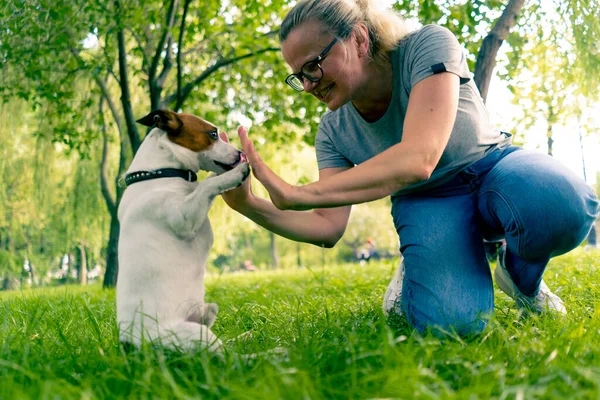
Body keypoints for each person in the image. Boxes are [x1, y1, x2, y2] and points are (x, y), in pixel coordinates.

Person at [221, 0, 599, 335]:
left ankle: (520, 278)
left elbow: (421, 157)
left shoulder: (427, 44)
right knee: (453, 325)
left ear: (357, 39)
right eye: (298, 76)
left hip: (492, 169)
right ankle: (420, 257)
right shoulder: (333, 132)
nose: (307, 85)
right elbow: (327, 226)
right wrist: (251, 205)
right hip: (428, 202)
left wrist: (297, 193)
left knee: (561, 203)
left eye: (313, 67)